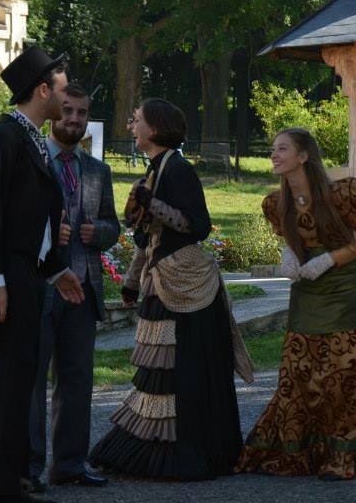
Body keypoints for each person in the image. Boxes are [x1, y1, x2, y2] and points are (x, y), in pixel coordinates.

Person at [89, 97, 251, 480]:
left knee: (183, 370)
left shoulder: (177, 169)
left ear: (156, 129)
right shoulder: (155, 170)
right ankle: (160, 448)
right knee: (164, 370)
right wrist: (130, 283)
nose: (131, 126)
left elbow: (197, 226)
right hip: (163, 281)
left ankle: (189, 453)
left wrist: (153, 204)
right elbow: (150, 239)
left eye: (137, 120)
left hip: (188, 288)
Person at [0, 46, 85, 503]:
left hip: (28, 277)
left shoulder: (28, 137)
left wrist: (55, 272)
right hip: (7, 280)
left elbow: (32, 219)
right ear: (42, 90)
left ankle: (13, 482)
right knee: (11, 384)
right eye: (63, 89)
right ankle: (0, 488)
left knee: (22, 381)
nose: (67, 97)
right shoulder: (2, 140)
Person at [236, 127, 356, 480]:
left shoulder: (341, 193)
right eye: (273, 149)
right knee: (300, 374)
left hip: (349, 294)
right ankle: (301, 452)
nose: (274, 154)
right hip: (308, 294)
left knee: (350, 376)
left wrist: (329, 259)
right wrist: (289, 254)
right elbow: (288, 236)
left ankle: (343, 456)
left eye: (282, 149)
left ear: (303, 156)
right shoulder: (276, 203)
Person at [24, 84, 119, 494]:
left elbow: (113, 227)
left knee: (77, 382)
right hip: (41, 289)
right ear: (52, 113)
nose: (74, 120)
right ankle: (27, 469)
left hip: (83, 289)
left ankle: (70, 464)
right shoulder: (30, 159)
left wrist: (96, 231)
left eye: (81, 113)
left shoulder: (98, 171)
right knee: (30, 385)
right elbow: (11, 222)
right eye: (67, 111)